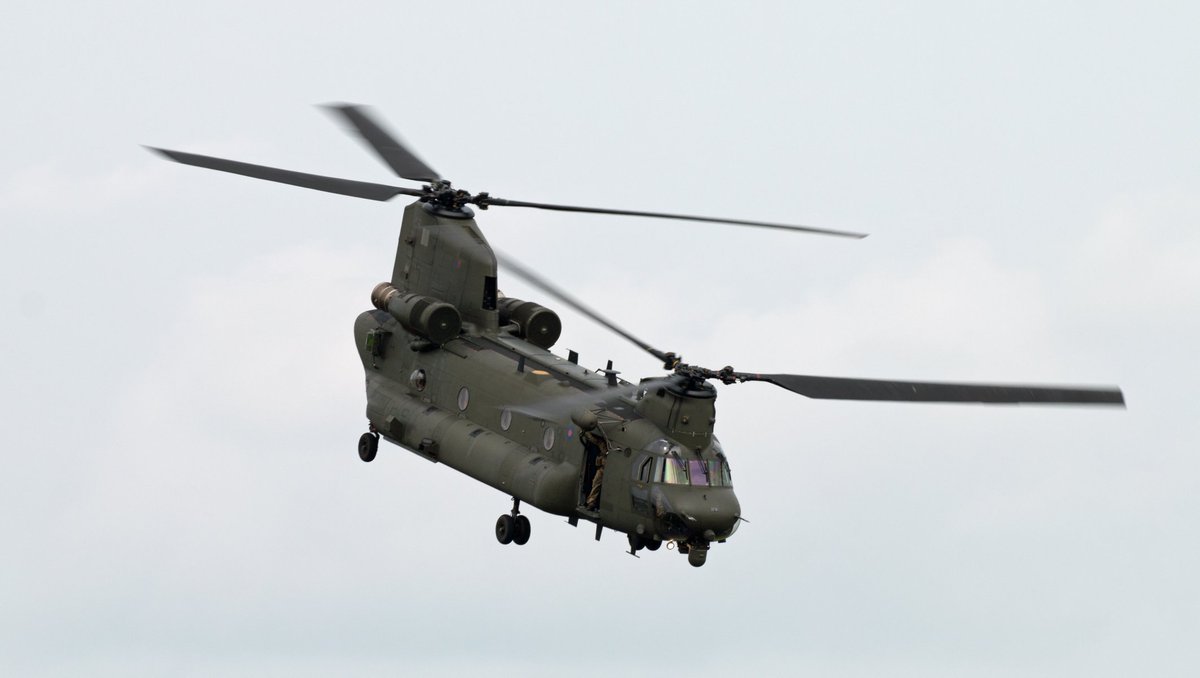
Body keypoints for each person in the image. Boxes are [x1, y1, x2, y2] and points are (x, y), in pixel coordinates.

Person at [584, 430, 607, 511]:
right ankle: (591, 503)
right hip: (602, 469)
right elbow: (594, 440)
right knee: (595, 483)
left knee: (596, 484)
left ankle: (593, 503)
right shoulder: (602, 444)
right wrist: (586, 432)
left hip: (606, 469)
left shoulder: (606, 445)